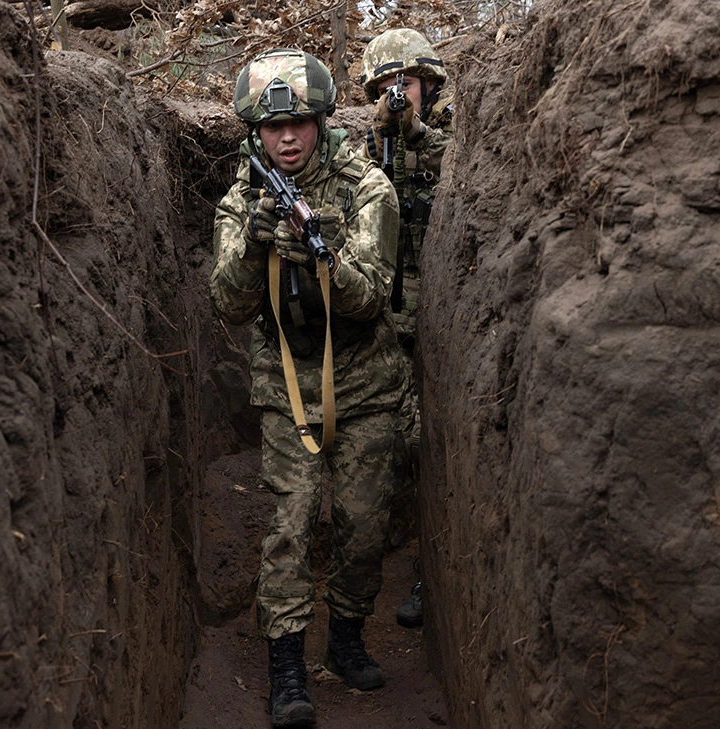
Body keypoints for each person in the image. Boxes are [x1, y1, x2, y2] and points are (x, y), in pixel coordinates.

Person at [210, 48, 404, 729]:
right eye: (272, 127)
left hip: (366, 380)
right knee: (291, 527)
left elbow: (373, 295)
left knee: (363, 524)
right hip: (290, 383)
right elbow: (228, 304)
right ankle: (287, 667)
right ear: (254, 133)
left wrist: (322, 259)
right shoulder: (244, 198)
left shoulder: (368, 189)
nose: (287, 138)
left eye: (299, 124)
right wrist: (256, 247)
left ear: (321, 121)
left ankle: (347, 638)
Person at [359, 28, 454, 629]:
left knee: (428, 447)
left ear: (429, 86)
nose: (400, 94)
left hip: (435, 317)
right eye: (389, 85)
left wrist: (417, 137)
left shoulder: (452, 139)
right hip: (376, 317)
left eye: (409, 83)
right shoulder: (359, 149)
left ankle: (428, 570)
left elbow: (463, 171)